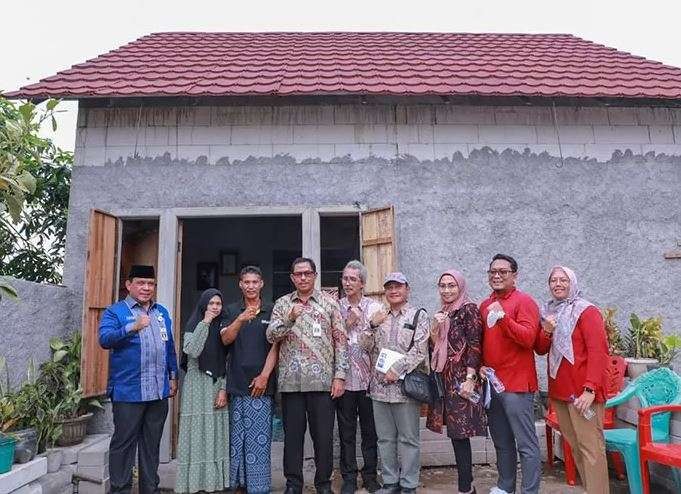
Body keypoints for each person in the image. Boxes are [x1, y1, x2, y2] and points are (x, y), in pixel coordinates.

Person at [266, 257, 348, 494]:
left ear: (314, 275)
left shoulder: (329, 304)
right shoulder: (282, 304)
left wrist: (339, 376)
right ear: (292, 278)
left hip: (323, 383)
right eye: (298, 274)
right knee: (292, 439)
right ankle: (294, 484)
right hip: (291, 384)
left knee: (323, 438)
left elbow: (340, 341)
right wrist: (290, 317)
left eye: (307, 273)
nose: (303, 277)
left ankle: (323, 484)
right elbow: (271, 336)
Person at [98, 265, 179, 494]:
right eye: (141, 283)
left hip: (158, 392)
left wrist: (173, 376)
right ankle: (121, 489)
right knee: (123, 445)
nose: (146, 288)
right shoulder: (115, 312)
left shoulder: (161, 312)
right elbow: (104, 339)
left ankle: (149, 489)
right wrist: (132, 327)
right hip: (128, 392)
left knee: (151, 445)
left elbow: (169, 346)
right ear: (129, 285)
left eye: (150, 284)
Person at [535, 266, 610, 494]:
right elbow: (540, 349)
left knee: (591, 449)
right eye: (553, 280)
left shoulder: (586, 311)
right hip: (561, 391)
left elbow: (599, 352)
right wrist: (546, 330)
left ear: (573, 282)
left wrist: (590, 389)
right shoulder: (550, 312)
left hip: (583, 393)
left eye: (563, 280)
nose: (557, 284)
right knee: (577, 448)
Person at [360, 272, 429, 494]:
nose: (393, 291)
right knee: (385, 439)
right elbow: (364, 346)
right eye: (389, 287)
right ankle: (390, 482)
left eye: (398, 286)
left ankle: (409, 484)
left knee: (409, 439)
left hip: (405, 388)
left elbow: (420, 350)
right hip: (379, 388)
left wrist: (397, 370)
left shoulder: (418, 315)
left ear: (407, 289)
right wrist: (371, 325)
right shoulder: (380, 316)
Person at [479, 254, 541, 494]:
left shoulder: (525, 302)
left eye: (503, 272)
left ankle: (530, 490)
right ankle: (505, 487)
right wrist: (482, 364)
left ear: (514, 275)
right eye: (492, 271)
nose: (497, 275)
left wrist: (503, 318)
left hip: (517, 385)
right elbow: (483, 341)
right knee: (502, 443)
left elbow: (528, 339)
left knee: (526, 444)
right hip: (492, 385)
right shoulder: (485, 305)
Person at [426, 270, 486, 494]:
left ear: (460, 287)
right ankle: (467, 485)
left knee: (460, 434)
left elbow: (474, 344)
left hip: (462, 378)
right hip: (445, 377)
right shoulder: (443, 312)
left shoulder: (468, 309)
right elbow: (435, 347)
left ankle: (465, 487)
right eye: (443, 286)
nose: (447, 290)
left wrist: (471, 378)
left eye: (452, 285)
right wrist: (434, 327)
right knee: (454, 433)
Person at [221, 266, 278, 494]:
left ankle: (259, 485)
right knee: (237, 437)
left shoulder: (272, 310)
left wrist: (265, 376)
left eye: (255, 282)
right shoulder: (231, 310)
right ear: (240, 285)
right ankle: (238, 483)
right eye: (247, 282)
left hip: (262, 383)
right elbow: (225, 340)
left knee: (259, 438)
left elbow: (277, 345)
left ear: (261, 284)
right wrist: (240, 319)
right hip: (237, 381)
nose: (251, 286)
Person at [175, 289, 230, 493]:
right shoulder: (195, 324)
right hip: (196, 384)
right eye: (211, 304)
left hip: (217, 384)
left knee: (215, 432)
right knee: (197, 431)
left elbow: (227, 360)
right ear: (203, 305)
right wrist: (205, 322)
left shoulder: (223, 328)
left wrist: (224, 389)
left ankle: (213, 482)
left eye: (218, 304)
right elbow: (192, 350)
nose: (215, 307)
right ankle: (193, 482)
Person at [336, 260, 382, 494]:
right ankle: (349, 478)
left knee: (370, 433)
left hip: (369, 382)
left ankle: (370, 476)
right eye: (345, 278)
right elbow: (330, 341)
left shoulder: (374, 308)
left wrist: (363, 323)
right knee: (346, 433)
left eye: (352, 279)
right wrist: (346, 323)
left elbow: (379, 342)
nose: (347, 283)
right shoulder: (336, 307)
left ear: (362, 283)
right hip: (343, 380)